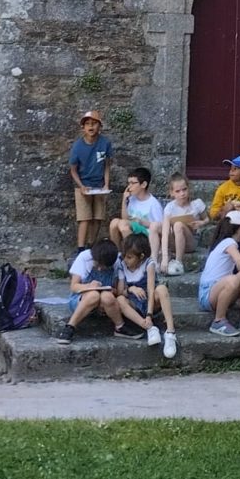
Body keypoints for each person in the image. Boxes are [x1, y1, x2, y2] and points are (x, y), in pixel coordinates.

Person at [198, 210, 240, 337]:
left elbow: (239, 261)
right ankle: (219, 320)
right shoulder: (229, 242)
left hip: (219, 290)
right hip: (207, 293)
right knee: (233, 279)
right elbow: (239, 261)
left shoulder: (228, 243)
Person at [115, 234, 178, 359]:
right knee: (120, 300)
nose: (126, 260)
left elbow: (150, 289)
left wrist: (149, 314)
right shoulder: (122, 265)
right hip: (134, 304)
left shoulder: (149, 264)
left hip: (150, 302)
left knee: (161, 288)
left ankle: (170, 332)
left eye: (130, 257)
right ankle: (148, 327)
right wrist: (131, 289)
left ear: (141, 257)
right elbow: (120, 291)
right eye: (125, 256)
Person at [57, 239, 122, 342]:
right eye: (98, 264)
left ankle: (120, 327)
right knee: (93, 295)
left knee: (107, 296)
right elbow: (74, 286)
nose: (100, 269)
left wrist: (110, 292)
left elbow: (118, 290)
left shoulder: (117, 261)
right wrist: (89, 286)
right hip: (82, 299)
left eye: (104, 267)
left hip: (105, 303)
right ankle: (70, 327)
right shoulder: (84, 257)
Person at [68, 110, 113, 250]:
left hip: (99, 186)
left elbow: (106, 165)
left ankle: (91, 245)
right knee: (84, 218)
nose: (91, 127)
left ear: (100, 126)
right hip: (83, 186)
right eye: (87, 124)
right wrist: (81, 186)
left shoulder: (105, 143)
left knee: (98, 217)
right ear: (83, 127)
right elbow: (73, 169)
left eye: (94, 123)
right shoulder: (78, 146)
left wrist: (106, 183)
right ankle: (81, 248)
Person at [109, 166, 164, 258]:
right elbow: (125, 219)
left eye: (133, 183)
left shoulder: (153, 204)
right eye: (128, 183)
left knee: (123, 224)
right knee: (114, 222)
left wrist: (141, 222)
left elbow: (160, 227)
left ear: (143, 184)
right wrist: (124, 200)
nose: (129, 186)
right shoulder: (132, 199)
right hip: (133, 231)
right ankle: (117, 254)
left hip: (146, 237)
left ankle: (132, 254)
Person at [160, 173, 207, 275]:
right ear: (172, 193)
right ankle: (157, 259)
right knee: (158, 226)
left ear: (188, 189)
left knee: (178, 225)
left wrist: (202, 223)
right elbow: (165, 231)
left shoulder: (197, 204)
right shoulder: (170, 207)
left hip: (191, 241)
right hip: (174, 242)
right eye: (178, 191)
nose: (182, 193)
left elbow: (208, 219)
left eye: (184, 189)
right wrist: (164, 257)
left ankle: (178, 262)